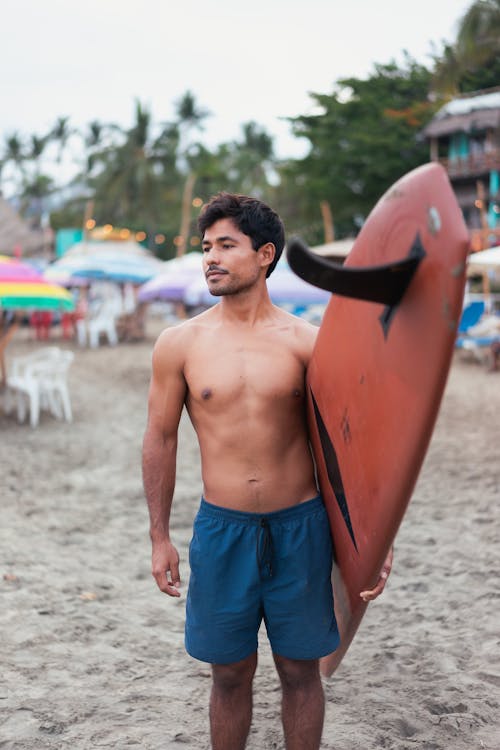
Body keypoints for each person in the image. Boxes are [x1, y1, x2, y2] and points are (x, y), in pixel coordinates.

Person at [142, 193, 392, 750]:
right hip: (221, 531)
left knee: (301, 671)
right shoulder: (179, 344)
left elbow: (344, 448)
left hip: (301, 529)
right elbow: (159, 438)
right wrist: (159, 536)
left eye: (226, 245)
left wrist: (375, 536)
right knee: (228, 675)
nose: (210, 257)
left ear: (264, 255)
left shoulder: (308, 343)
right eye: (206, 247)